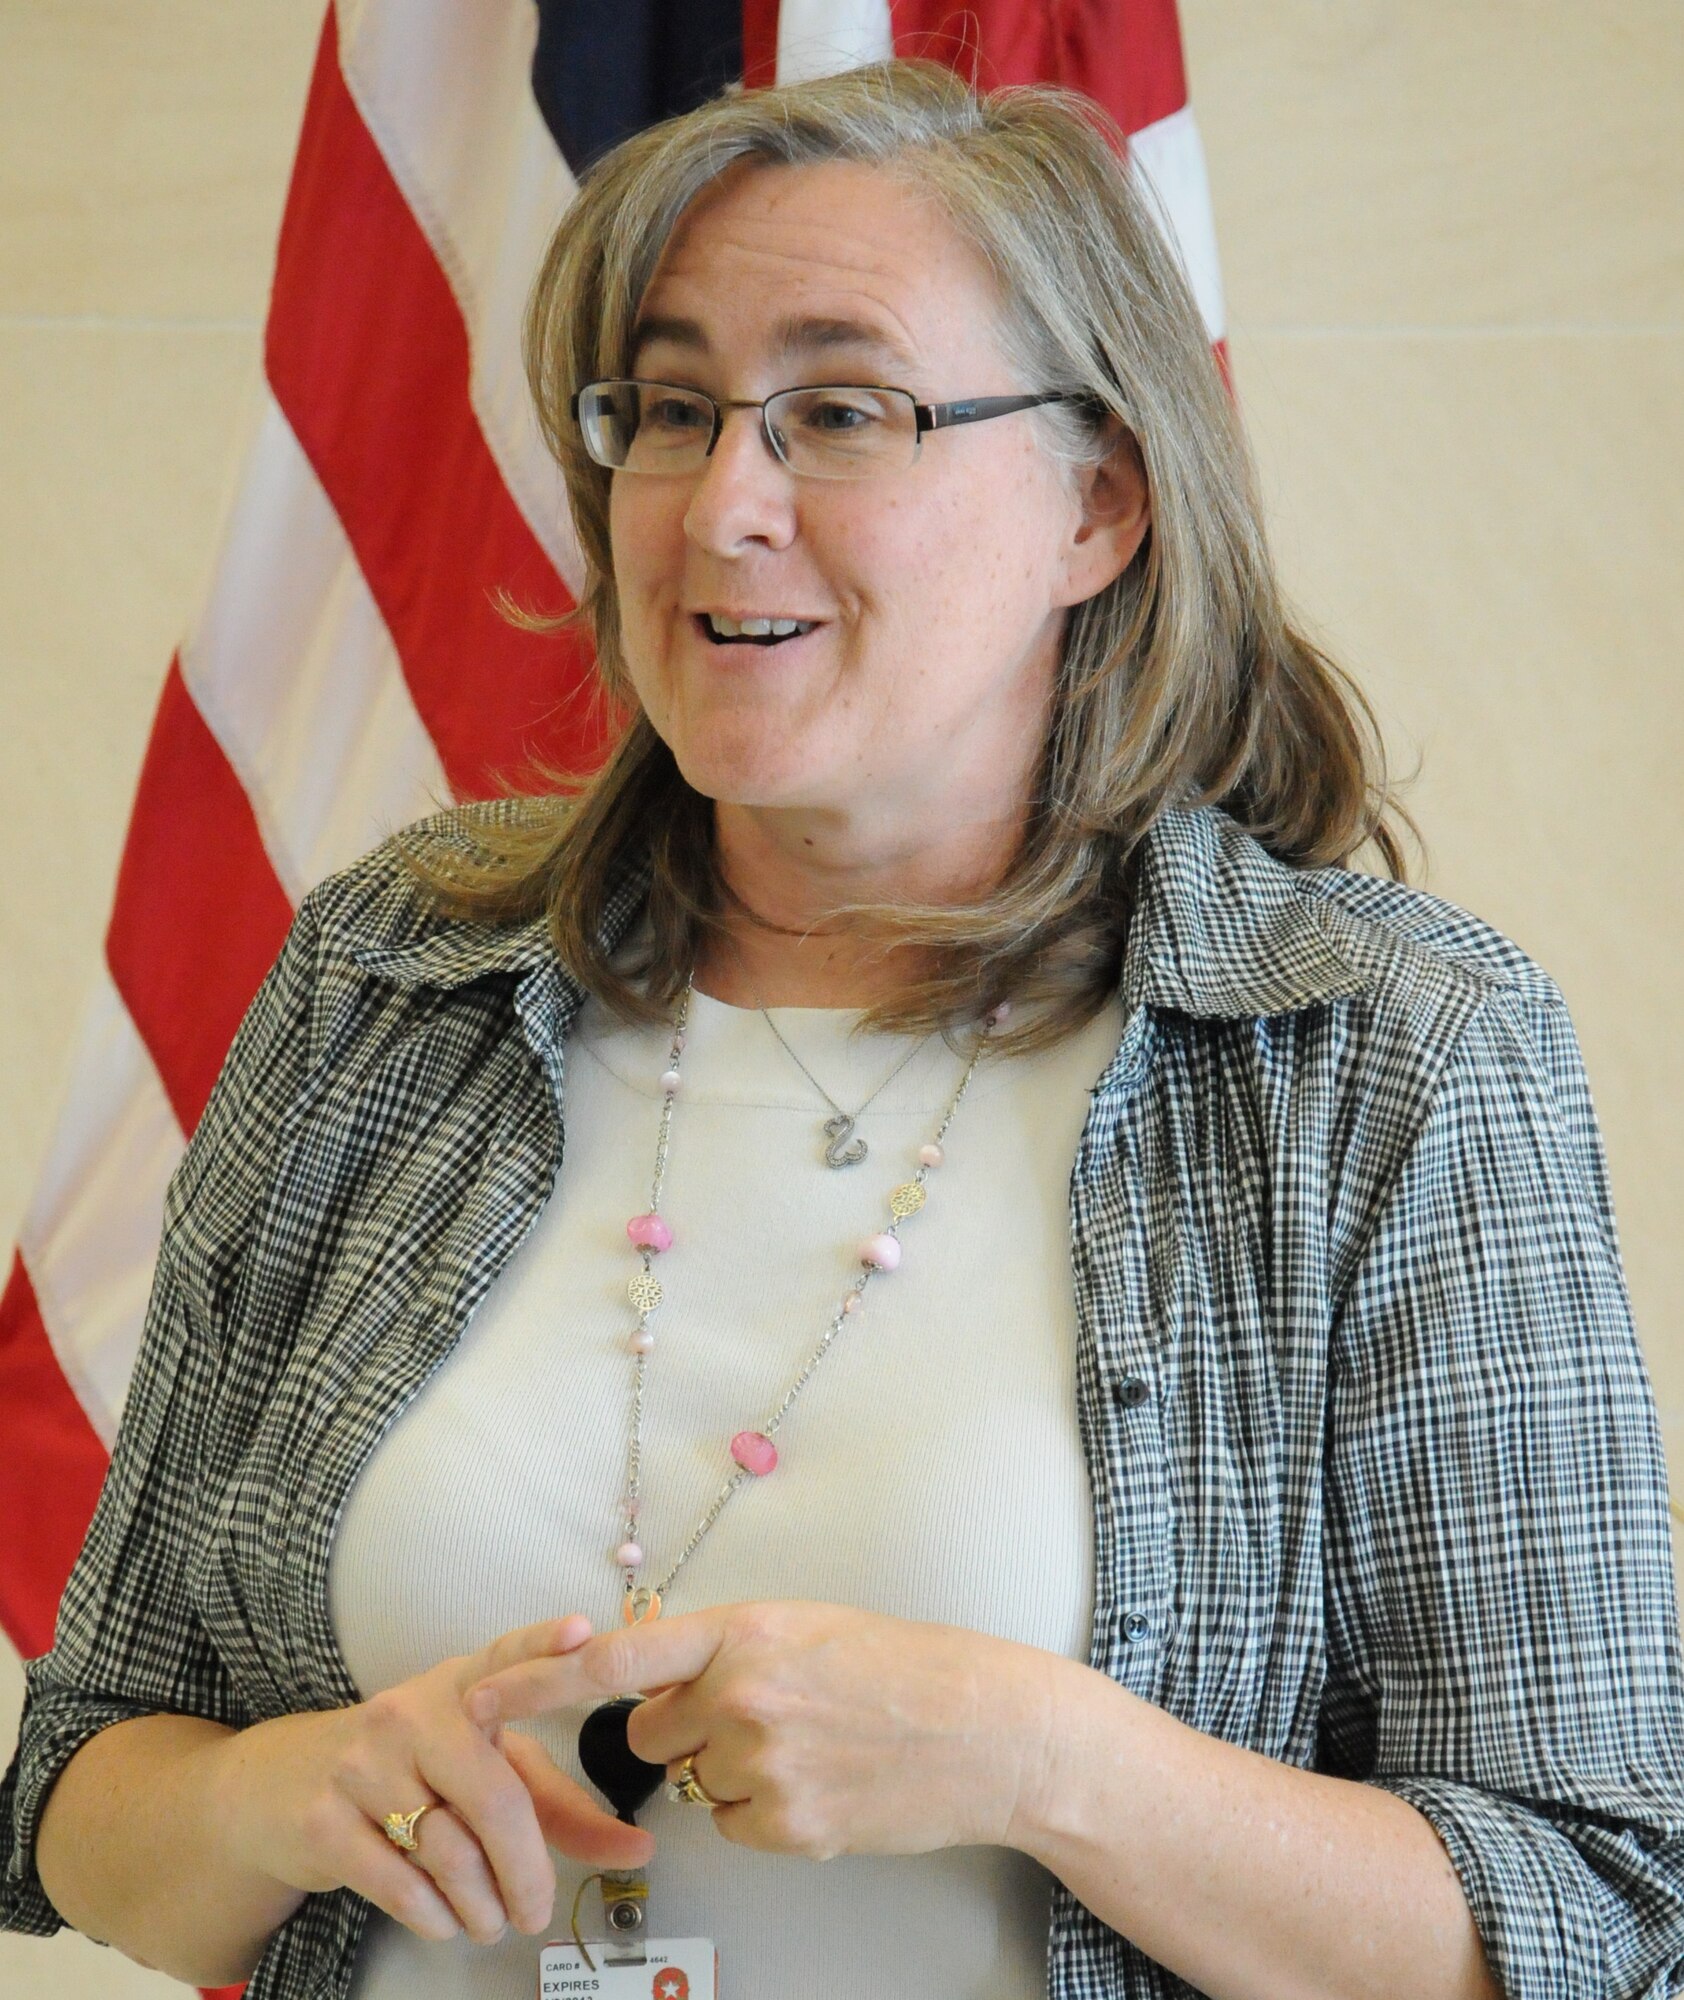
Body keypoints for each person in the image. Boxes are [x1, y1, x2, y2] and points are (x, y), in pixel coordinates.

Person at [4, 56, 1683, 2000]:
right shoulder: (394, 977)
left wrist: (1041, 1760)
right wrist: (285, 1800)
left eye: (841, 411)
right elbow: (86, 1782)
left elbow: (1592, 1917)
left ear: (1096, 500)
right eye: (671, 408)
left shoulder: (1376, 1047)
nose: (722, 504)